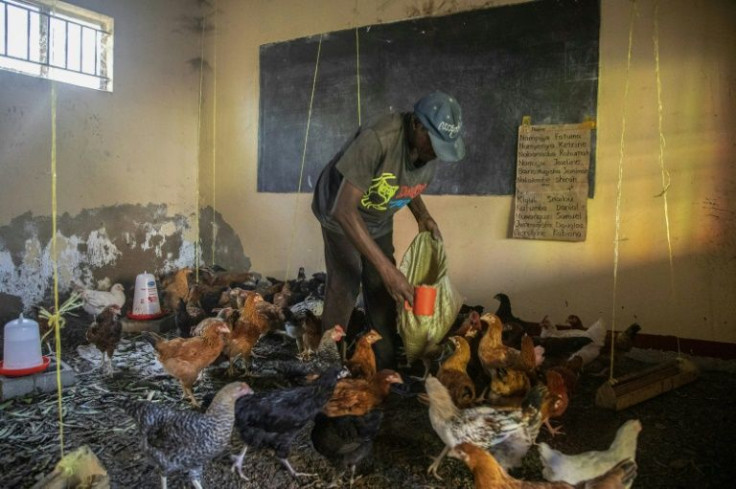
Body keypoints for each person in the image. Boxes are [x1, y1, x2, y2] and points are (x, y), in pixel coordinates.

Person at [311, 91, 465, 370]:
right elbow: (344, 210)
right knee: (347, 279)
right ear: (417, 124)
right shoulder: (378, 139)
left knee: (382, 287)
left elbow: (399, 178)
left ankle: (384, 365)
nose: (436, 153)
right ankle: (327, 367)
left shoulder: (425, 150)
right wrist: (387, 269)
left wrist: (423, 215)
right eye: (434, 142)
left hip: (378, 216)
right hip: (340, 210)